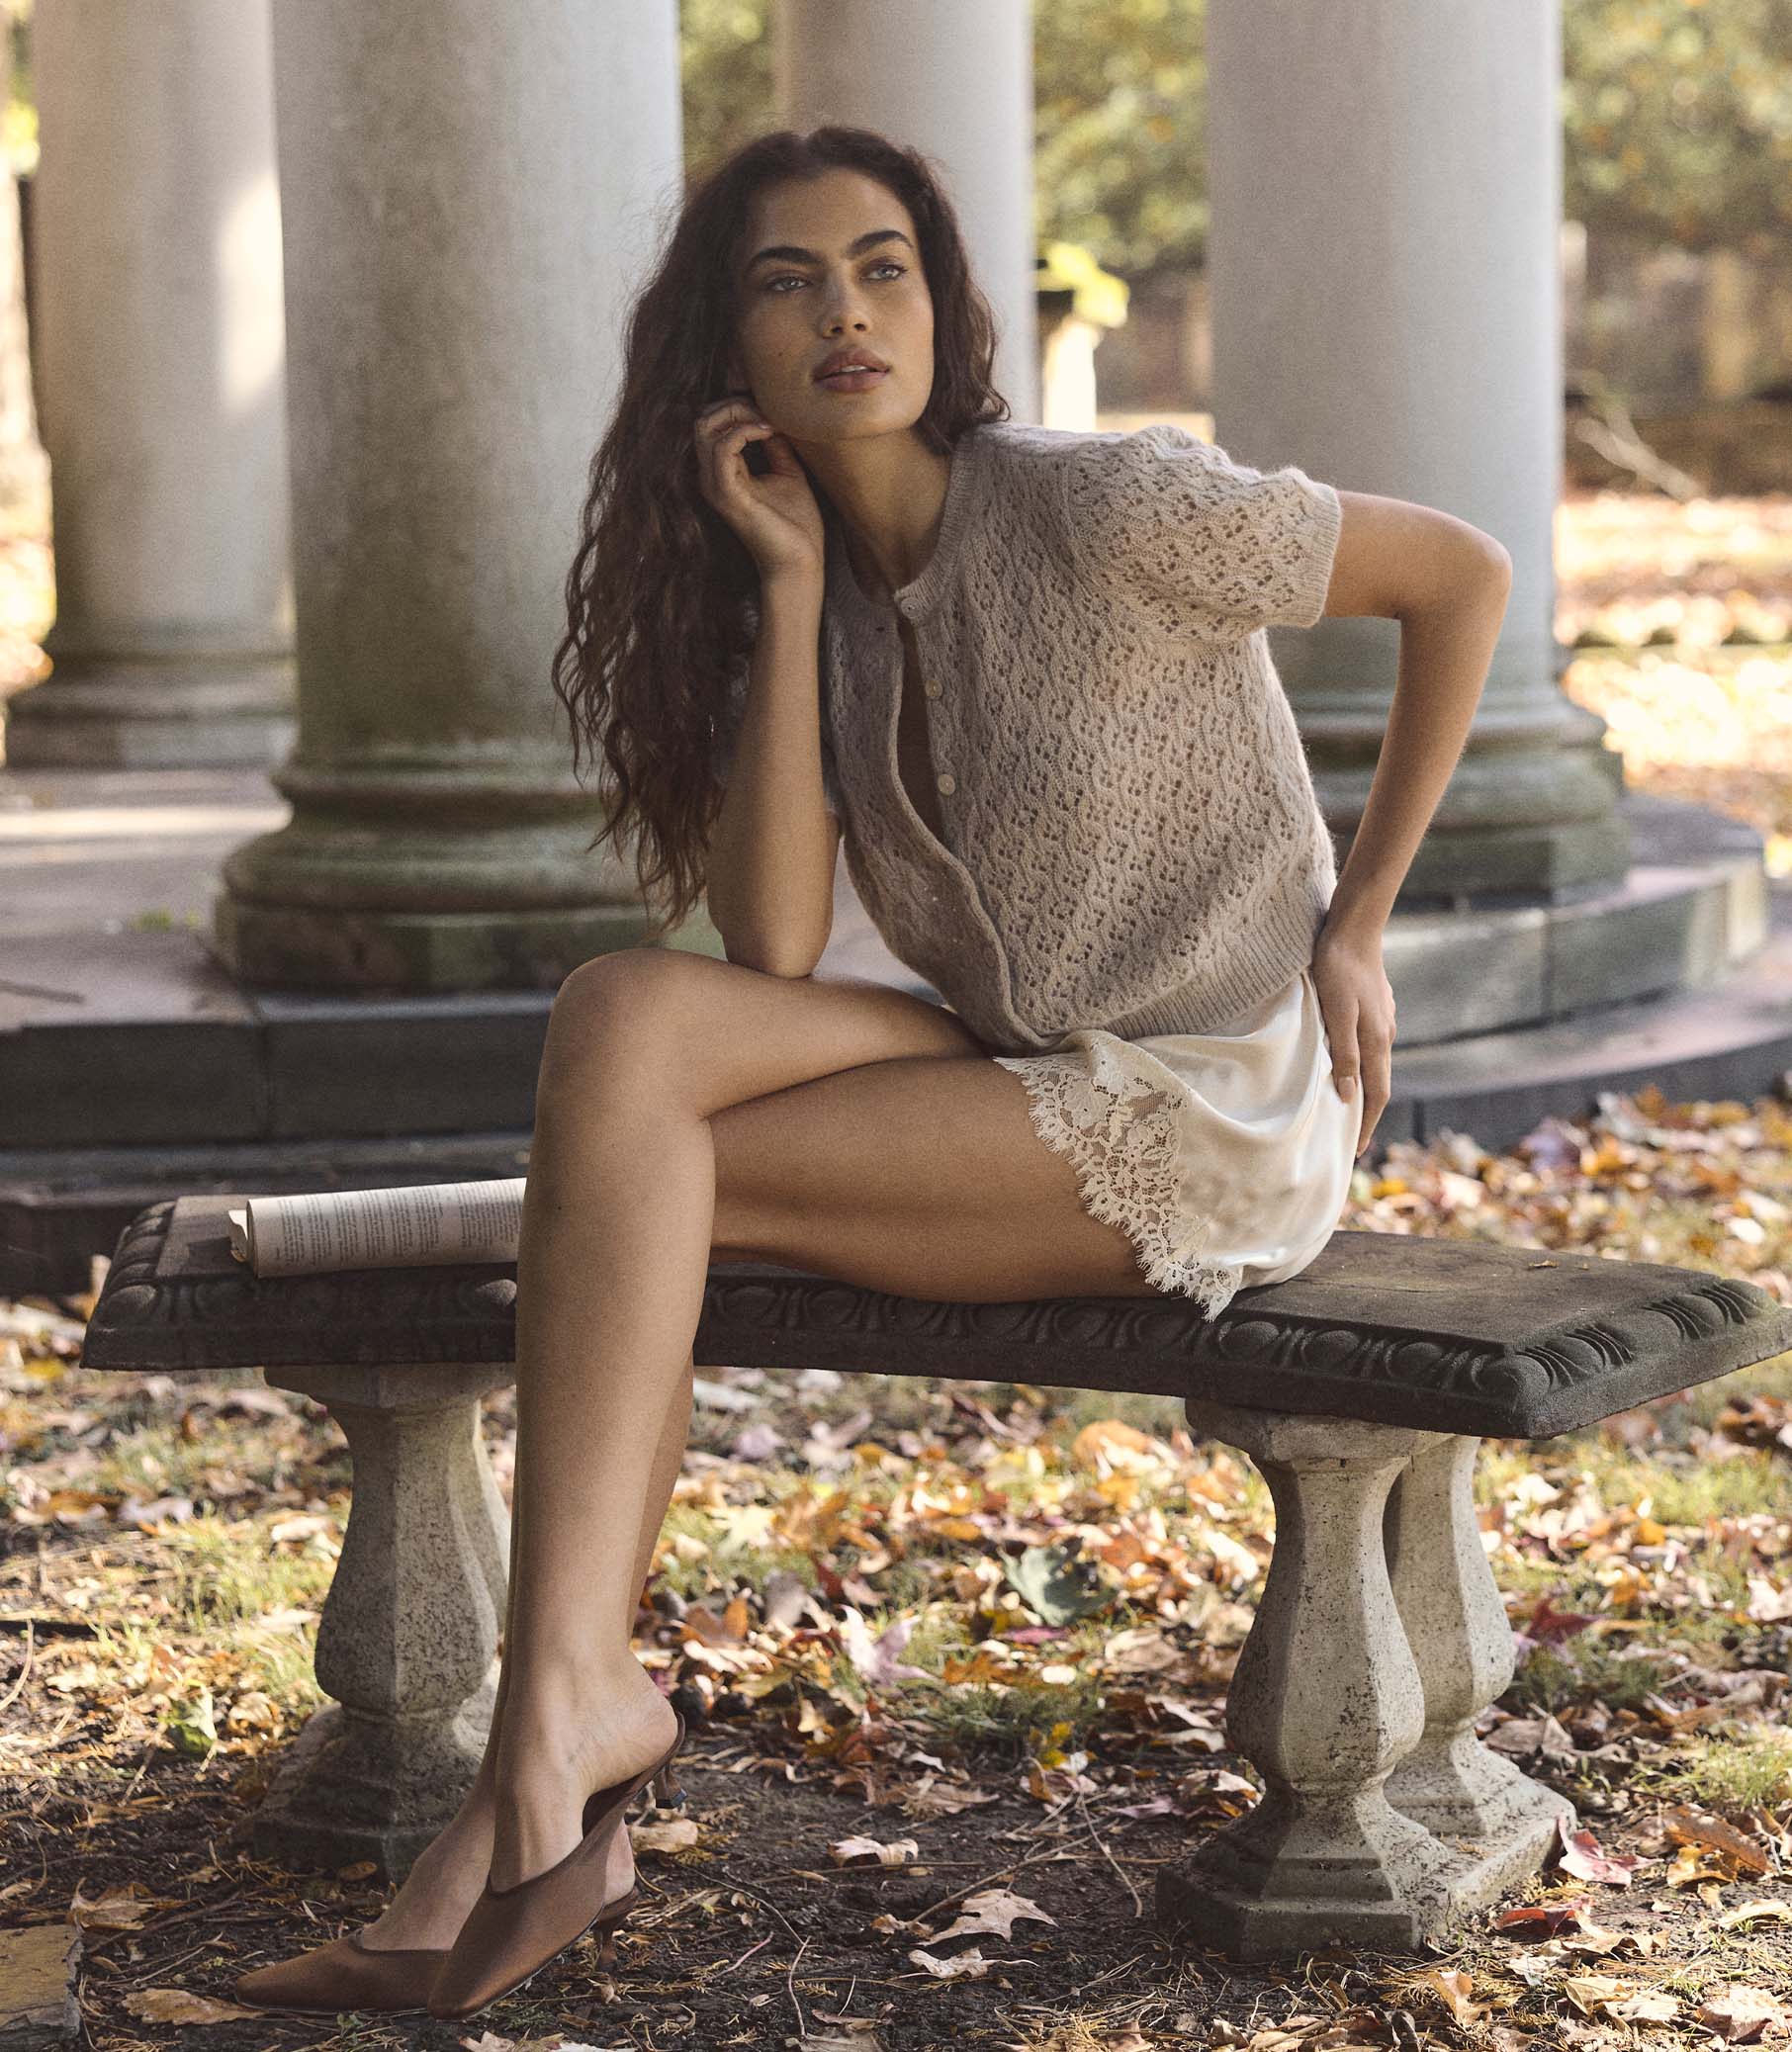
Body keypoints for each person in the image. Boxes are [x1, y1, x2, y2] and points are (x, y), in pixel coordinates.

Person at [234, 124, 1511, 2022]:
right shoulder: (815, 586)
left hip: (1202, 1093)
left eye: (885, 264)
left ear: (945, 301)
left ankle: (549, 1755)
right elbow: (761, 952)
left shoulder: (1110, 502)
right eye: (789, 278)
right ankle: (565, 1711)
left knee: (633, 1192)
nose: (846, 310)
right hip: (1000, 1041)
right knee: (624, 1028)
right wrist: (781, 587)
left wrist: (1359, 920)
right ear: (722, 349)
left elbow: (1464, 578)